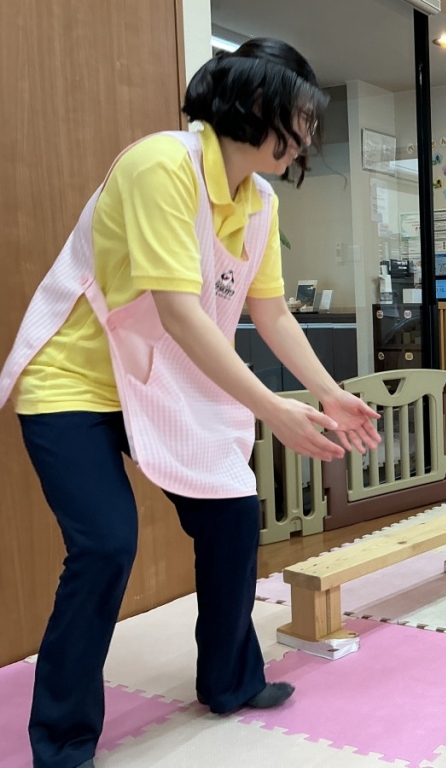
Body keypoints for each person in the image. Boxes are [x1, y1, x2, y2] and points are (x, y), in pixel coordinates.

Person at [0, 39, 381, 768]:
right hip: (74, 381)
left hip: (161, 380)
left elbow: (271, 313)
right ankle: (62, 740)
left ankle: (230, 681)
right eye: (299, 116)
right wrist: (276, 411)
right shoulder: (161, 164)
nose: (305, 134)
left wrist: (331, 394)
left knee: (233, 514)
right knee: (106, 545)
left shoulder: (259, 200)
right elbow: (180, 312)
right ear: (256, 105)